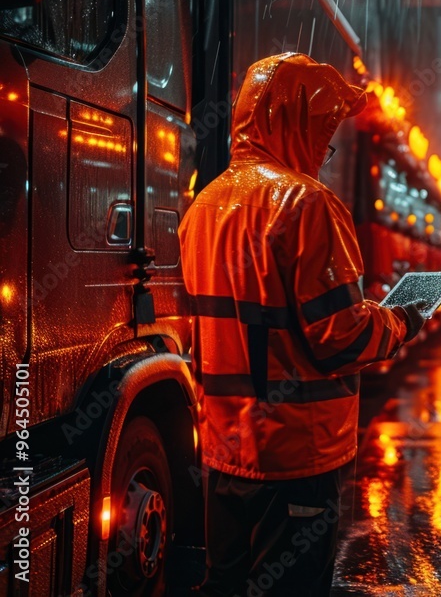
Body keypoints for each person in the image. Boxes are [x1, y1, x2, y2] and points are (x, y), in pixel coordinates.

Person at [178, 53, 426, 596]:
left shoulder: (205, 205)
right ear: (296, 123)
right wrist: (402, 322)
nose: (323, 149)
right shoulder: (306, 204)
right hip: (294, 452)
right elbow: (342, 337)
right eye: (322, 132)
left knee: (225, 583)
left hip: (224, 447)